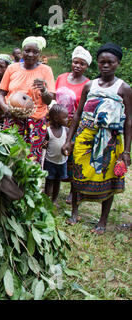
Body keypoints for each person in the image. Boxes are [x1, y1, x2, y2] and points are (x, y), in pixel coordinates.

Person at [61, 43, 132, 235]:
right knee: (77, 172)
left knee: (108, 176)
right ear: (98, 64)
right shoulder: (89, 85)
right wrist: (69, 139)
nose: (106, 66)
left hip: (111, 139)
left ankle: (102, 220)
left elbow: (129, 122)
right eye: (102, 62)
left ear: (118, 63)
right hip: (85, 135)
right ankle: (75, 212)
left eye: (110, 62)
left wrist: (126, 151)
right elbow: (77, 114)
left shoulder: (124, 88)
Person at [0, 36, 56, 163]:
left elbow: (49, 100)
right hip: (13, 119)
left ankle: (28, 183)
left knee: (31, 161)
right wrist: (5, 107)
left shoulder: (46, 70)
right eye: (27, 51)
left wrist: (44, 90)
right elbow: (1, 93)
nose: (30, 54)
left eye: (35, 52)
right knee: (10, 157)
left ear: (40, 54)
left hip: (36, 122)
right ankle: (10, 184)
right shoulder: (12, 68)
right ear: (22, 51)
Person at [55, 46, 91, 204]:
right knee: (56, 152)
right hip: (57, 122)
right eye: (75, 62)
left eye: (82, 64)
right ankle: (53, 184)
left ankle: (73, 191)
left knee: (74, 157)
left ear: (86, 67)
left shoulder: (89, 84)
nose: (78, 65)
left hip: (75, 123)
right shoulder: (61, 77)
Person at [43, 104, 69, 204]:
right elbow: (44, 145)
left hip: (62, 162)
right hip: (50, 161)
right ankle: (47, 200)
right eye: (65, 117)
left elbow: (70, 143)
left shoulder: (66, 130)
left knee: (57, 182)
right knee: (49, 182)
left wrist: (68, 149)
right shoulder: (48, 131)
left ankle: (54, 200)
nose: (67, 119)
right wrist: (44, 145)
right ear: (57, 119)